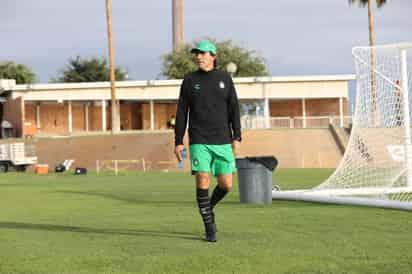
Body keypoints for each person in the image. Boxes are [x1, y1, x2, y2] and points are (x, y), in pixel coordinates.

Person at [174, 40, 241, 243]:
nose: (199, 57)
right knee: (203, 178)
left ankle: (208, 207)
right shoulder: (189, 80)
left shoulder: (225, 79)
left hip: (222, 139)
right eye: (197, 54)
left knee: (226, 185)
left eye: (203, 53)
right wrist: (178, 140)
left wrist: (237, 136)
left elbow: (234, 109)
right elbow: (181, 112)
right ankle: (209, 228)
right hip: (199, 139)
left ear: (213, 55)